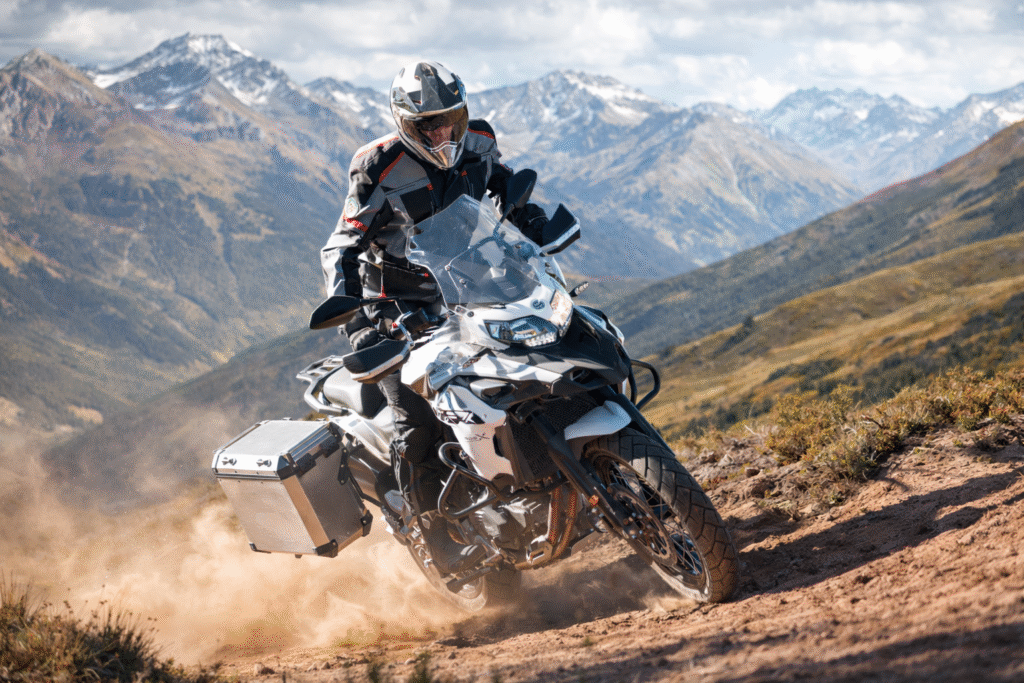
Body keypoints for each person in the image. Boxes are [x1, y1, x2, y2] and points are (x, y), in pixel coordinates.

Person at [320, 60, 548, 573]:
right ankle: (438, 544)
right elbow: (345, 240)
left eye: (449, 118)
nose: (441, 131)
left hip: (462, 287)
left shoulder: (481, 140)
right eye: (428, 124)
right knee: (417, 420)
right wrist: (346, 295)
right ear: (405, 123)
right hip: (387, 305)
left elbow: (503, 193)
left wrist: (533, 225)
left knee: (533, 356)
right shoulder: (377, 164)